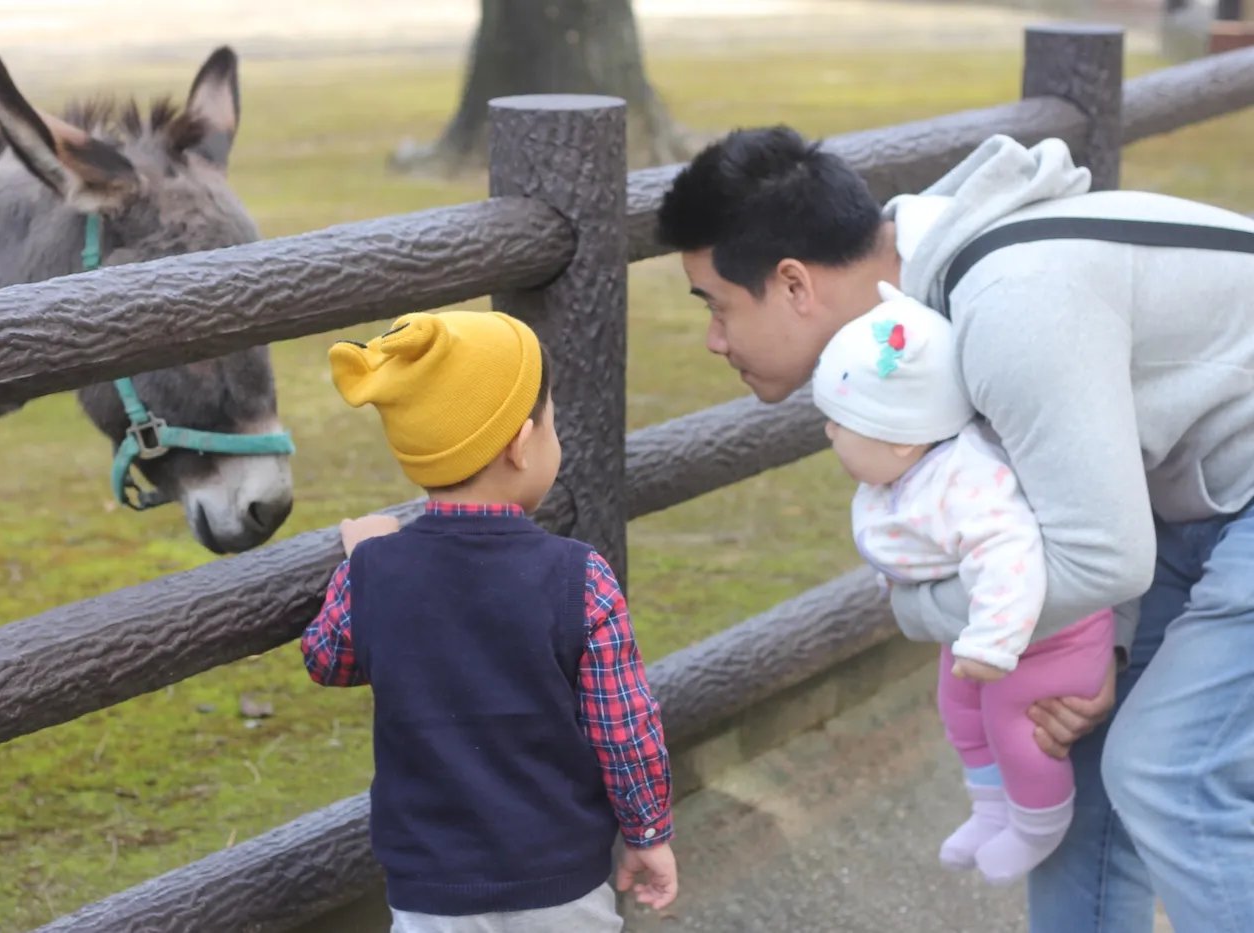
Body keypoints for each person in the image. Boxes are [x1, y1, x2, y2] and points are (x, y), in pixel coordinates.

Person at [657, 125, 1254, 932]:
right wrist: (1103, 645)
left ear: (794, 283)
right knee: (1068, 748)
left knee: (1168, 771)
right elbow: (1078, 499)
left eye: (720, 307)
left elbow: (1104, 557)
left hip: (1220, 496)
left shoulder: (1008, 308)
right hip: (1200, 494)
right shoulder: (925, 301)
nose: (713, 339)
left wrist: (912, 609)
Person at [300, 310, 677, 932]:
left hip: (432, 891)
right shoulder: (580, 577)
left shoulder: (379, 571)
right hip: (562, 881)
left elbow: (328, 659)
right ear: (522, 442)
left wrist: (364, 558)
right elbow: (625, 729)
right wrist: (648, 832)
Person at [812, 281, 1114, 885]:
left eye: (839, 423)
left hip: (1046, 633)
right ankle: (990, 808)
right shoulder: (906, 472)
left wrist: (991, 643)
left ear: (901, 438)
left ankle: (1037, 823)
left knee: (1017, 723)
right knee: (957, 708)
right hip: (988, 630)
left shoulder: (967, 485)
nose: (827, 434)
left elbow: (1010, 556)